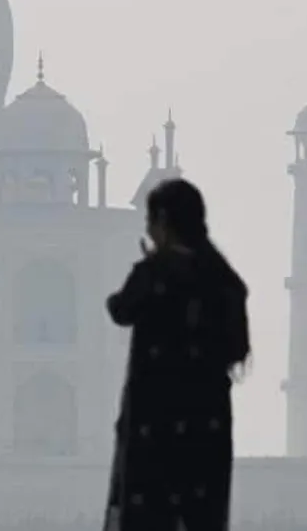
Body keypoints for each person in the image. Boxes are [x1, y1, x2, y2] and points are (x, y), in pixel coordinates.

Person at [103, 178, 250, 531]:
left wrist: (153, 266)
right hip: (206, 425)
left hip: (155, 425)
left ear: (164, 221)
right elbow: (237, 348)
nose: (149, 230)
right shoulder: (223, 278)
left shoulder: (155, 274)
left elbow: (120, 309)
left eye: (151, 221)